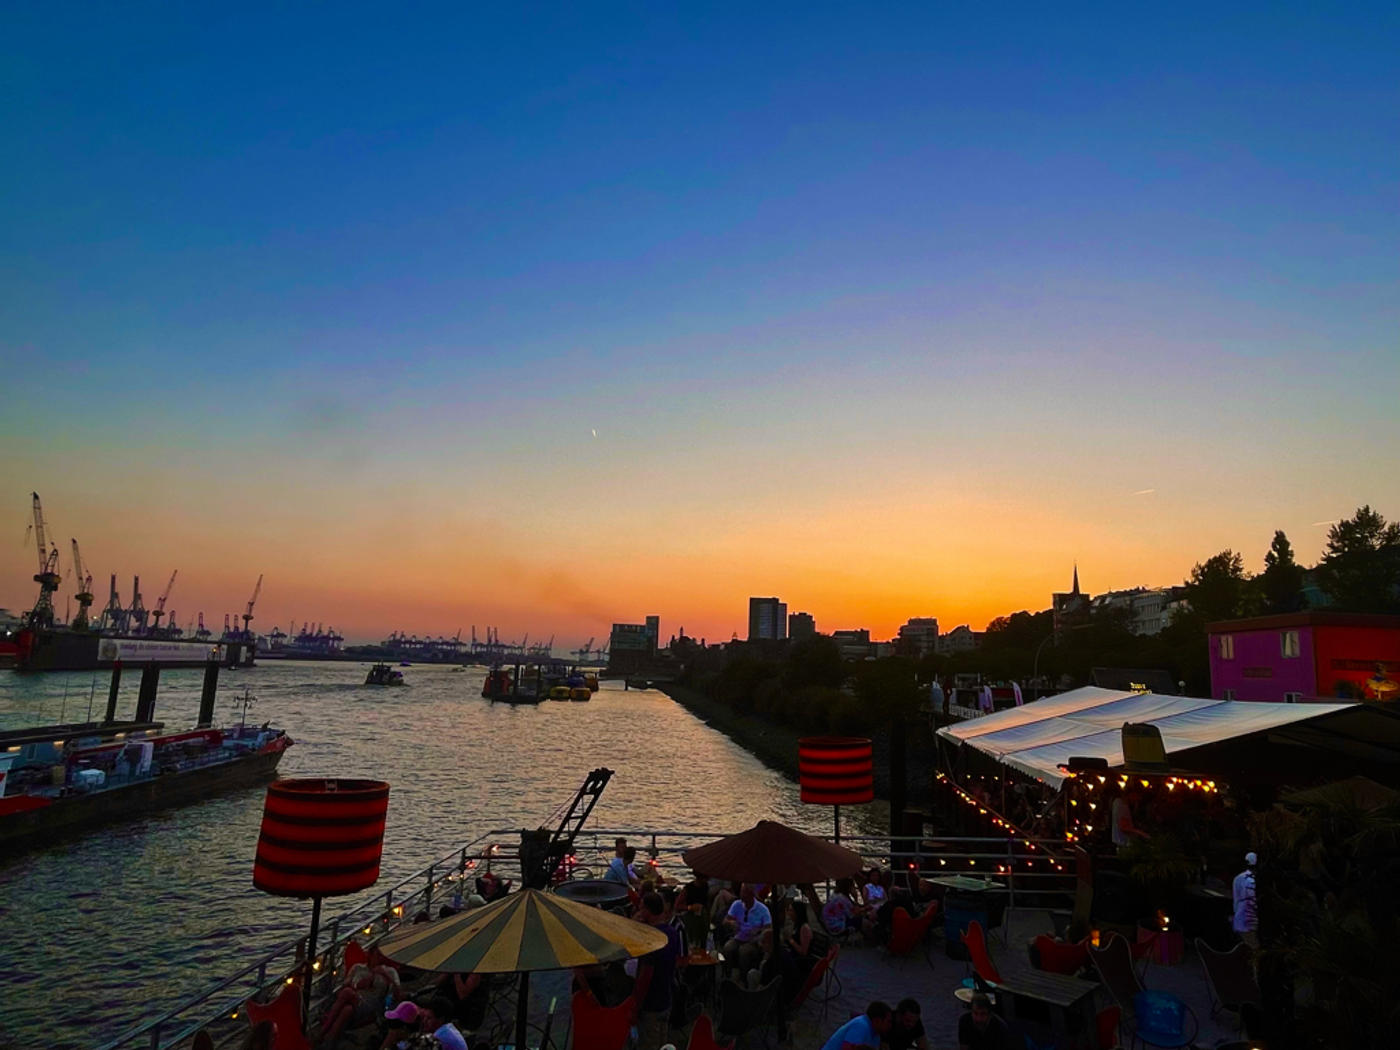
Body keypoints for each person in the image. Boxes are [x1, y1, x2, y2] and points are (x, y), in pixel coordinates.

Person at [634, 891, 684, 1050]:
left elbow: (645, 976)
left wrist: (635, 1007)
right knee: (662, 1042)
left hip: (651, 1004)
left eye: (641, 908)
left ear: (648, 911)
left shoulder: (651, 940)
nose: (639, 912)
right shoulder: (673, 933)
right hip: (666, 999)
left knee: (650, 1043)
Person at [319, 961, 400, 1046]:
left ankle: (323, 1031)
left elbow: (397, 995)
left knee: (347, 993)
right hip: (355, 998)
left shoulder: (390, 971)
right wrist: (358, 984)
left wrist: (385, 975)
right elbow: (345, 985)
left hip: (371, 1004)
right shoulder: (358, 967)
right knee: (347, 1010)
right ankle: (328, 1044)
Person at [721, 882, 772, 976]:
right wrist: (731, 923)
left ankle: (744, 977)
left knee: (744, 952)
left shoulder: (763, 910)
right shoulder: (736, 904)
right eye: (741, 892)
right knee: (727, 948)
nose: (741, 895)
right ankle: (727, 975)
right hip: (738, 937)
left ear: (751, 894)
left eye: (744, 892)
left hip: (753, 941)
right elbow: (725, 921)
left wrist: (758, 933)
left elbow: (768, 930)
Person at [819, 1001, 892, 1050]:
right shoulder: (861, 1026)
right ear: (877, 1020)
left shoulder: (876, 1036)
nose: (890, 1025)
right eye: (888, 1022)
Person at [1233, 851, 1258, 950]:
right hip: (1250, 921)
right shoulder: (1255, 880)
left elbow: (1236, 901)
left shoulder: (1238, 878)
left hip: (1242, 919)